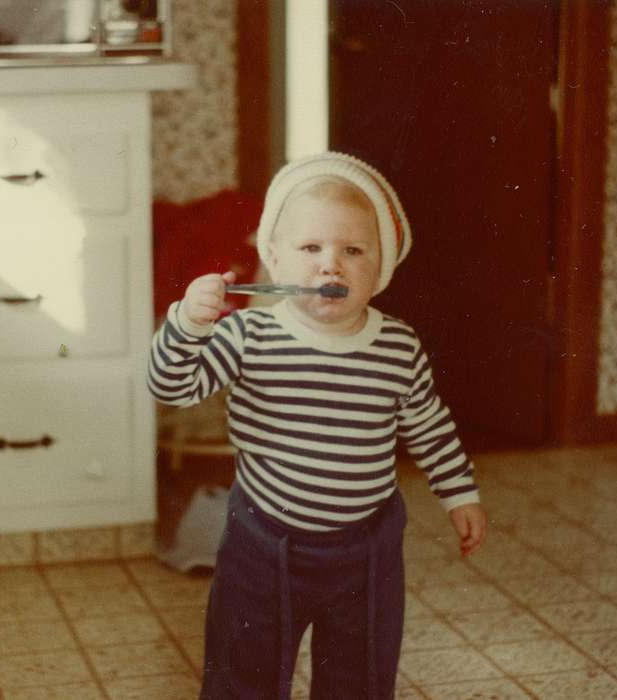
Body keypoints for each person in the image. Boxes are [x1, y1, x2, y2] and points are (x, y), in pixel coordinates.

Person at [147, 152, 487, 699]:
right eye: (311, 249)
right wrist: (185, 326)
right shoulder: (248, 335)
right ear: (275, 262)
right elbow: (171, 386)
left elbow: (429, 425)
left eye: (353, 250)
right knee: (243, 678)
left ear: (382, 267)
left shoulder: (397, 346)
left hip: (368, 551)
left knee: (360, 681)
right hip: (263, 546)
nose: (331, 266)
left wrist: (460, 494)